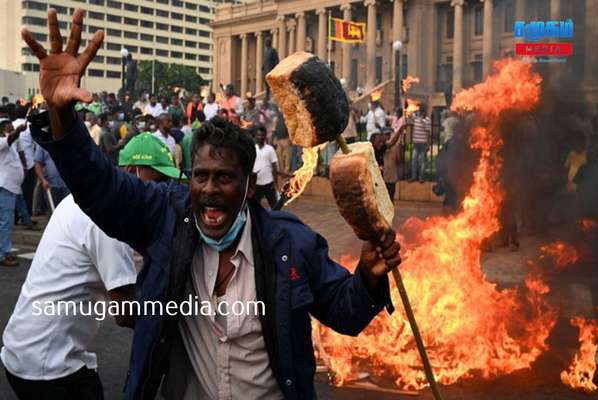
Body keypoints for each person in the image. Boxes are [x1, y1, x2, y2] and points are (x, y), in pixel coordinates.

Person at [22, 10, 400, 399]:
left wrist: (370, 276)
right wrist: (62, 116)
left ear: (250, 186)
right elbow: (100, 188)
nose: (210, 189)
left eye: (224, 178)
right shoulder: (165, 220)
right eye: (200, 176)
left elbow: (345, 312)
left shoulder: (291, 244)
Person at [1, 133, 182, 400]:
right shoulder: (108, 222)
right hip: (48, 366)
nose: (159, 193)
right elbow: (126, 312)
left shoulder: (84, 201)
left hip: (22, 351)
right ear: (132, 171)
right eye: (157, 182)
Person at [0, 120, 26, 267]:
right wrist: (18, 131)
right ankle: (3, 255)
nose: (11, 127)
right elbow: (10, 139)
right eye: (7, 125)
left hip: (9, 187)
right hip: (5, 187)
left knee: (4, 222)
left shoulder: (8, 143)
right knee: (5, 223)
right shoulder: (3, 141)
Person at [253, 125, 279, 208]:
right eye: (258, 135)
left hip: (268, 183)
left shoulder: (270, 149)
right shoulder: (253, 149)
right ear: (255, 136)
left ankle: (276, 220)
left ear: (265, 136)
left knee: (275, 206)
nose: (260, 137)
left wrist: (275, 183)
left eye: (262, 135)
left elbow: (274, 166)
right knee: (255, 207)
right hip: (256, 183)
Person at [409, 104, 431, 183]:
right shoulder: (416, 117)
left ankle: (421, 178)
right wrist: (414, 109)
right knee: (414, 160)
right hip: (416, 142)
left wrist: (428, 144)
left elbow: (428, 132)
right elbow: (410, 114)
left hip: (423, 143)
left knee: (422, 161)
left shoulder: (427, 120)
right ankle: (413, 177)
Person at [273, 107, 291, 174]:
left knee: (287, 155)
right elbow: (274, 129)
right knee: (279, 154)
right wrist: (274, 138)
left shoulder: (288, 117)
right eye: (280, 107)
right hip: (278, 139)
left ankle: (287, 169)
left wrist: (289, 138)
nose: (281, 108)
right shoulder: (277, 117)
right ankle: (281, 169)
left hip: (285, 138)